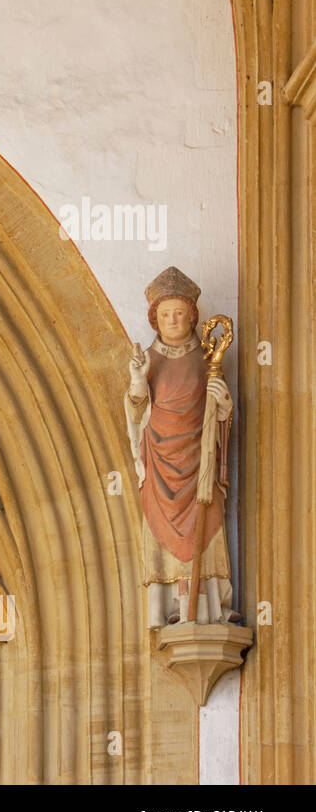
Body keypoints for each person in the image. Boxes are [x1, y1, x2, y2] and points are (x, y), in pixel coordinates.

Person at [125, 267, 237, 627]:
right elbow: (137, 409)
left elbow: (221, 415)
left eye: (179, 313)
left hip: (199, 459)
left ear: (192, 315)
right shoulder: (149, 361)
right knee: (160, 527)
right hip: (160, 461)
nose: (172, 320)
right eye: (164, 315)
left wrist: (223, 405)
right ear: (155, 321)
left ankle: (209, 608)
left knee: (207, 524)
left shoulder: (208, 361)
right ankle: (169, 606)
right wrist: (138, 380)